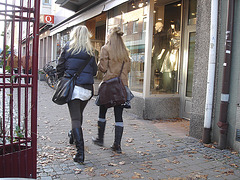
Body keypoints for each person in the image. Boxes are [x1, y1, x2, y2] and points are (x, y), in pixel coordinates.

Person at [56, 25, 97, 164]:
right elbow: (95, 72)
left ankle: (80, 153)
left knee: (75, 118)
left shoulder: (68, 47)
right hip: (87, 89)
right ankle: (73, 136)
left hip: (73, 88)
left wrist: (62, 77)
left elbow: (59, 66)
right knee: (79, 115)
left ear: (74, 35)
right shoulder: (91, 51)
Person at [92, 27, 131, 153]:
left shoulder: (105, 48)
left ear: (111, 36)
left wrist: (99, 63)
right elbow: (128, 69)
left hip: (109, 85)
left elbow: (102, 68)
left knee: (102, 112)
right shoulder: (125, 51)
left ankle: (100, 138)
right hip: (122, 86)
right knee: (119, 116)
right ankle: (117, 145)